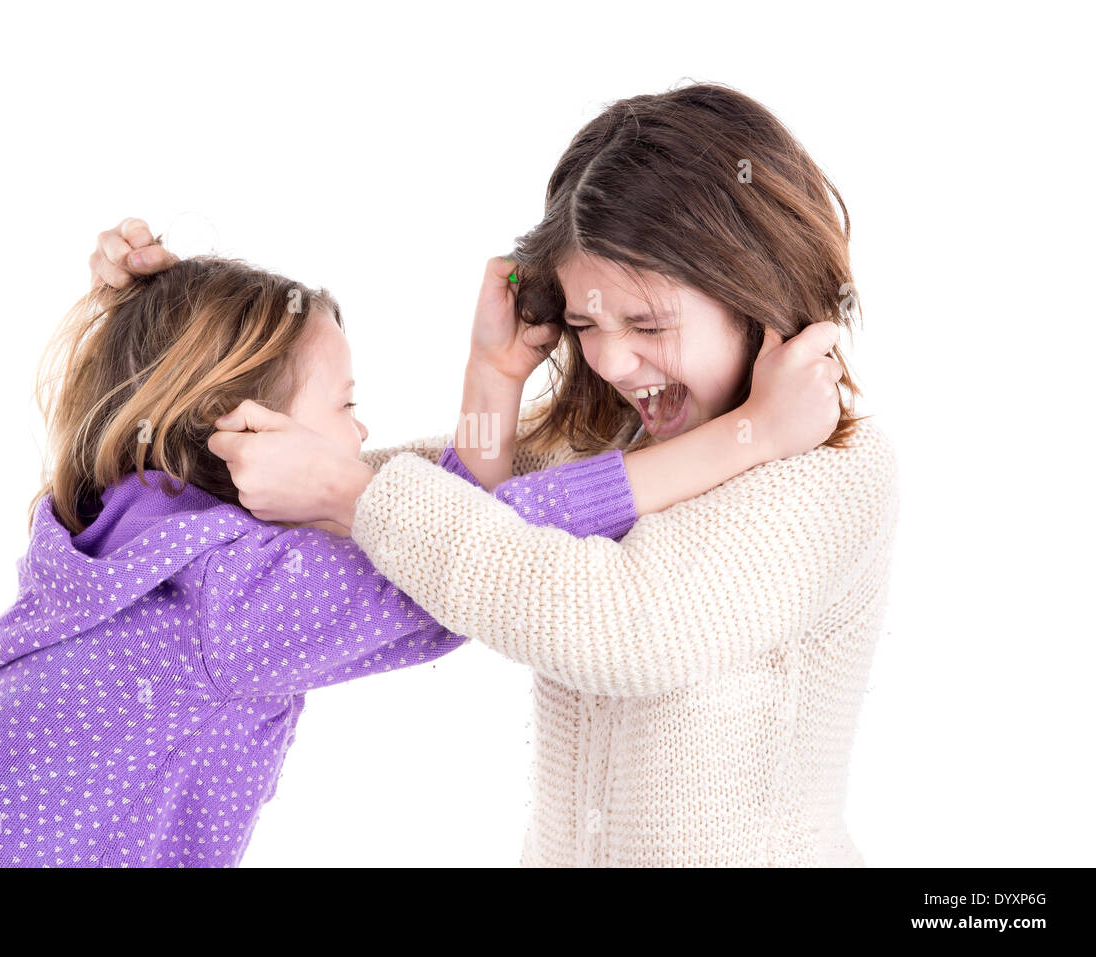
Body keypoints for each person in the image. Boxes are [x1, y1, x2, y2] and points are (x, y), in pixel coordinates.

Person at [0, 225, 832, 865]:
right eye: (346, 408)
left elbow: (437, 534)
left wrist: (491, 378)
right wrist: (757, 434)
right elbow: (486, 547)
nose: (358, 440)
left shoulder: (125, 524)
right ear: (238, 431)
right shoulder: (238, 600)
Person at [107, 83, 899, 866]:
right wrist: (180, 354)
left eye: (649, 324)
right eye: (587, 324)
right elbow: (453, 493)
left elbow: (622, 627)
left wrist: (349, 497)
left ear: (755, 291)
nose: (613, 360)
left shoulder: (825, 474)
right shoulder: (611, 436)